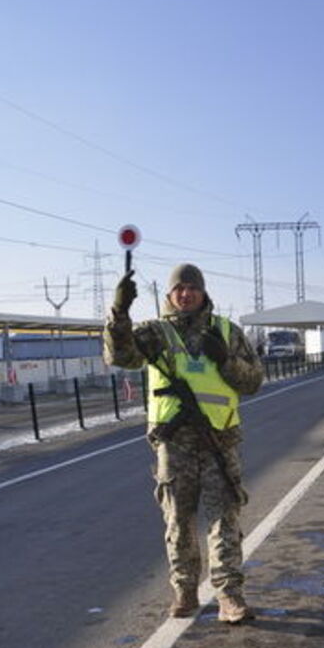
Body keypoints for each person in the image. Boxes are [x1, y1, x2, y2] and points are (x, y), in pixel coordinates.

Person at [103, 263, 264, 623]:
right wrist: (119, 312)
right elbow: (120, 356)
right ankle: (185, 591)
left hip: (218, 442)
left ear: (204, 292)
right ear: (170, 295)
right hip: (174, 443)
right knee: (178, 521)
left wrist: (225, 360)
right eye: (180, 288)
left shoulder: (227, 332)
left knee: (224, 518)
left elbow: (253, 381)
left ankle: (229, 596)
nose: (186, 293)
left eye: (192, 288)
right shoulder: (155, 333)